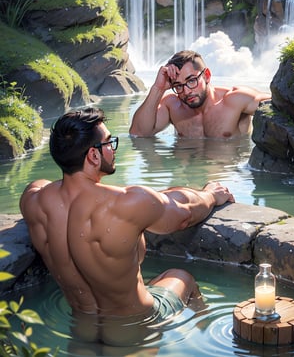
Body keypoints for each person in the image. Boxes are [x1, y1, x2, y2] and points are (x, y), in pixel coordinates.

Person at [20, 107, 235, 347]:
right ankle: (196, 342)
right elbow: (184, 213)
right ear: (93, 156)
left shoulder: (34, 201)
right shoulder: (126, 203)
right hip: (135, 328)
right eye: (109, 143)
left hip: (81, 329)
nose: (112, 149)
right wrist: (210, 194)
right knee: (182, 276)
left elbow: (41, 186)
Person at [129, 50, 271, 139]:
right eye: (178, 86)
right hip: (185, 178)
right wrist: (158, 88)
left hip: (228, 178)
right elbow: (138, 133)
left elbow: (278, 104)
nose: (186, 91)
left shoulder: (235, 100)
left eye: (191, 81)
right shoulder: (173, 106)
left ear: (207, 75)